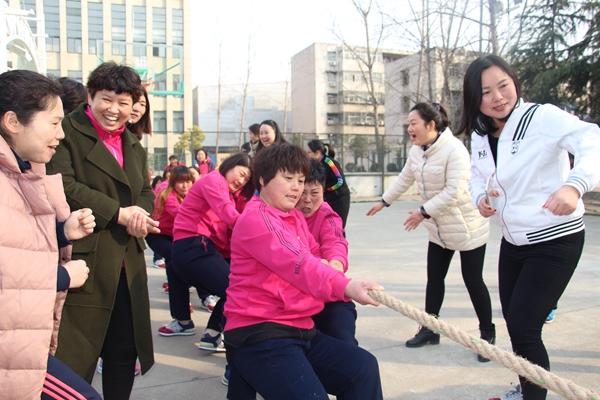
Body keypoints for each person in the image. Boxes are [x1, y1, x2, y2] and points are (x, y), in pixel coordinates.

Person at [459, 55, 600, 399]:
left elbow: (591, 138)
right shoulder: (481, 133)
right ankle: (526, 388)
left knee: (524, 330)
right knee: (516, 326)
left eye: (503, 85)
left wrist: (575, 185)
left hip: (556, 239)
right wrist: (480, 198)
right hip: (513, 242)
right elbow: (476, 175)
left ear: (514, 82)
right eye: (486, 92)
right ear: (474, 99)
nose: (497, 97)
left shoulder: (541, 117)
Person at [224, 143, 384, 399]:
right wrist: (347, 286)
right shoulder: (257, 218)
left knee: (362, 368)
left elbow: (317, 256)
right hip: (260, 334)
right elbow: (298, 263)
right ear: (263, 179)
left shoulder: (295, 218)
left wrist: (334, 268)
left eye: (300, 179)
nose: (297, 187)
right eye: (288, 178)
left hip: (299, 329)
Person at [46, 61, 160, 399]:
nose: (114, 110)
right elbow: (62, 184)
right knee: (75, 353)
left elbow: (145, 191)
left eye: (124, 103)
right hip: (86, 258)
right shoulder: (67, 132)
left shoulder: (132, 143)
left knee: (123, 351)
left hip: (127, 261)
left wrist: (140, 214)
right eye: (106, 100)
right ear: (91, 96)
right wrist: (118, 213)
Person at [366, 102, 494, 362]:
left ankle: (487, 337)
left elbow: (454, 191)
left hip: (467, 226)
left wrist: (422, 211)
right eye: (408, 123)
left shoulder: (455, 150)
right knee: (434, 279)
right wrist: (384, 201)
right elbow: (405, 177)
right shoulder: (417, 150)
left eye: (414, 123)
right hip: (439, 227)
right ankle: (430, 328)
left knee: (473, 281)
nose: (409, 128)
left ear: (431, 125)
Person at [0, 69, 100, 399]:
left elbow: (14, 244)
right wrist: (60, 276)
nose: (61, 134)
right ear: (13, 121)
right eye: (54, 123)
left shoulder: (22, 171)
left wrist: (62, 232)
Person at [159, 153, 254, 349]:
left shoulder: (229, 192)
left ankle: (186, 323)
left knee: (175, 269)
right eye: (241, 173)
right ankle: (219, 336)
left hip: (193, 249)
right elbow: (226, 212)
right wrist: (259, 231)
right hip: (194, 245)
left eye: (246, 179)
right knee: (236, 289)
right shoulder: (214, 179)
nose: (241, 180)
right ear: (230, 165)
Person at [296, 158, 357, 344]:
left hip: (328, 295)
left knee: (344, 341)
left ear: (324, 192)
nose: (307, 200)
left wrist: (336, 264)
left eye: (314, 193)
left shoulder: (327, 215)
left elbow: (336, 242)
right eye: (301, 193)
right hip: (294, 301)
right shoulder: (281, 216)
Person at [307, 139, 351, 228]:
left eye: (309, 152)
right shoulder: (315, 164)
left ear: (317, 153)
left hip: (339, 199)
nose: (307, 155)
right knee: (328, 226)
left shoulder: (329, 162)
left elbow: (339, 181)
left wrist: (324, 189)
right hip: (328, 199)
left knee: (338, 227)